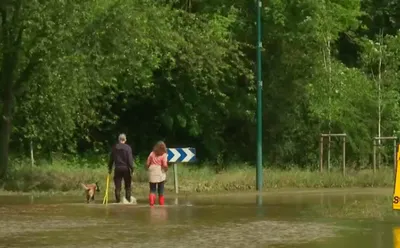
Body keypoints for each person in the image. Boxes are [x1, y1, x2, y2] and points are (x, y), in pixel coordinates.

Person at [108, 133, 134, 203]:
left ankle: (118, 201)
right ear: (125, 140)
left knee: (118, 187)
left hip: (117, 168)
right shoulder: (128, 148)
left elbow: (111, 159)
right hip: (126, 169)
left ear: (119, 140)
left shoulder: (114, 147)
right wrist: (132, 169)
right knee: (128, 186)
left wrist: (109, 168)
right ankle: (128, 201)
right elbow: (130, 160)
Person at [146, 141, 168, 206]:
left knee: (152, 189)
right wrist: (166, 169)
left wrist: (147, 168)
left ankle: (152, 202)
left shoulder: (152, 153)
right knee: (161, 189)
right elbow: (164, 164)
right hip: (160, 171)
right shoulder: (164, 155)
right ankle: (161, 203)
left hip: (152, 170)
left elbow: (147, 163)